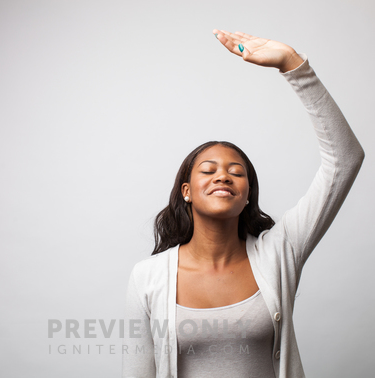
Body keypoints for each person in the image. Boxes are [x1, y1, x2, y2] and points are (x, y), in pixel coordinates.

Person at [122, 29, 364, 378]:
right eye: (209, 170)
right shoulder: (147, 277)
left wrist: (293, 66)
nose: (223, 176)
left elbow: (345, 159)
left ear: (247, 194)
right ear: (186, 191)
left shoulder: (279, 252)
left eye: (236, 172)